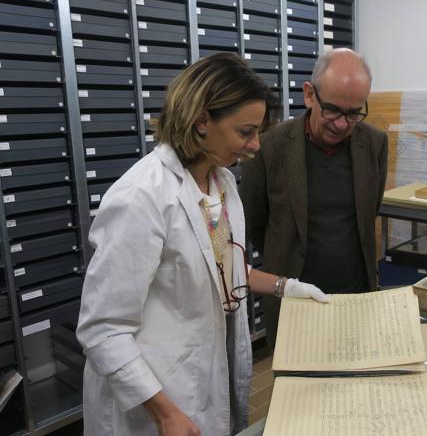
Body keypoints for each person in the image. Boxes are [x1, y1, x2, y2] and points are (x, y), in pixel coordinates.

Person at [76, 52, 328, 436]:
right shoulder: (141, 197)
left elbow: (221, 269)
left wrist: (286, 287)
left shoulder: (221, 182)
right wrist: (164, 414)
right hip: (155, 395)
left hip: (205, 372)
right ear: (201, 122)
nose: (256, 146)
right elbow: (103, 330)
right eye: (245, 132)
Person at [239, 48, 388, 346]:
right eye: (332, 110)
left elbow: (368, 213)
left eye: (354, 112)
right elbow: (254, 223)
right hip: (294, 301)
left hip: (356, 297)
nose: (343, 124)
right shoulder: (269, 148)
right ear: (309, 95)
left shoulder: (374, 143)